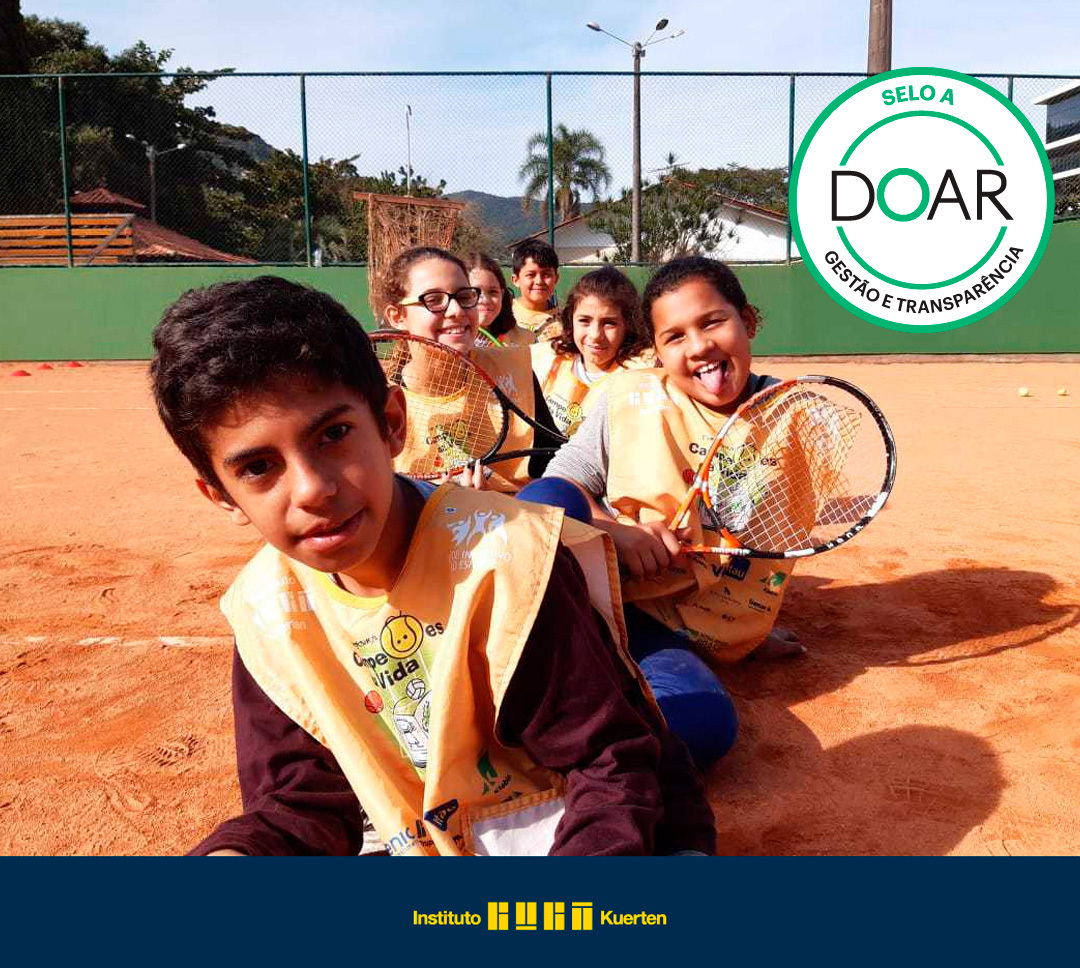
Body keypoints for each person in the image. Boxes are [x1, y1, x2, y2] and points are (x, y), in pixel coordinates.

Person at [150, 276, 715, 856]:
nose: (313, 489)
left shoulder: (507, 565)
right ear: (220, 496)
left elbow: (610, 767)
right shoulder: (268, 614)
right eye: (257, 468)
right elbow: (297, 804)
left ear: (392, 424)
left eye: (334, 435)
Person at [542, 257, 805, 768]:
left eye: (713, 322)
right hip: (608, 598)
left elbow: (768, 544)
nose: (699, 346)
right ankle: (559, 668)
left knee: (702, 727)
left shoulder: (791, 415)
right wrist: (616, 532)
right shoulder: (630, 396)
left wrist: (743, 629)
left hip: (659, 629)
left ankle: (596, 698)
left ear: (748, 321)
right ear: (657, 351)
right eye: (675, 337)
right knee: (542, 502)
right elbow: (560, 483)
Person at [375, 247, 560, 493]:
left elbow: (557, 466)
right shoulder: (376, 402)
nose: (456, 310)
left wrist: (497, 500)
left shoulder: (514, 370)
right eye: (433, 300)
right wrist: (436, 499)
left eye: (464, 296)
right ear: (397, 316)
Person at [531, 265, 652, 438]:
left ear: (628, 325)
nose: (595, 335)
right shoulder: (549, 359)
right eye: (584, 321)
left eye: (609, 323)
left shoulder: (640, 376)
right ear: (570, 319)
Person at [463, 250, 536, 348]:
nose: (485, 300)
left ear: (502, 294)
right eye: (475, 293)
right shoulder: (448, 342)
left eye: (493, 292)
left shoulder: (527, 340)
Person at [510, 238, 562, 341]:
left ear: (556, 279)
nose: (539, 281)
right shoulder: (503, 313)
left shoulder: (565, 321)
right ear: (516, 280)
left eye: (546, 274)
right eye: (531, 275)